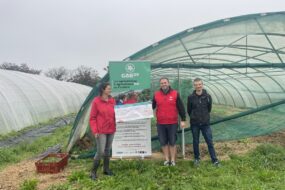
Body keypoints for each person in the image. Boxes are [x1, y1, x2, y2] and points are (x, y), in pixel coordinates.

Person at [152, 77, 186, 166]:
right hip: (160, 123)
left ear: (168, 83)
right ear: (160, 84)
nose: (164, 84)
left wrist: (183, 119)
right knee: (163, 142)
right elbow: (151, 106)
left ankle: (173, 160)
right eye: (162, 83)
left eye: (165, 82)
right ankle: (167, 160)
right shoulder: (156, 94)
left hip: (172, 123)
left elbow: (181, 107)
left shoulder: (175, 93)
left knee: (172, 142)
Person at [187, 78, 220, 167]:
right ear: (194, 86)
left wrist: (204, 117)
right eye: (196, 85)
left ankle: (214, 160)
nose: (198, 86)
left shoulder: (208, 96)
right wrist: (194, 117)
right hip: (195, 124)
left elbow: (209, 109)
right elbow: (189, 110)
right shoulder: (190, 97)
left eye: (199, 84)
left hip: (205, 124)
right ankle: (197, 159)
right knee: (195, 141)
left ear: (202, 84)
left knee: (209, 141)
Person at [89, 82, 116, 180]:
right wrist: (95, 131)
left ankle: (106, 169)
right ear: (103, 90)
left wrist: (120, 118)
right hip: (101, 130)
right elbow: (92, 118)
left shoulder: (112, 100)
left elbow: (115, 113)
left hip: (111, 129)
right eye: (108, 88)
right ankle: (93, 172)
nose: (110, 90)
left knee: (107, 150)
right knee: (100, 151)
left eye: (110, 88)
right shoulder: (96, 101)